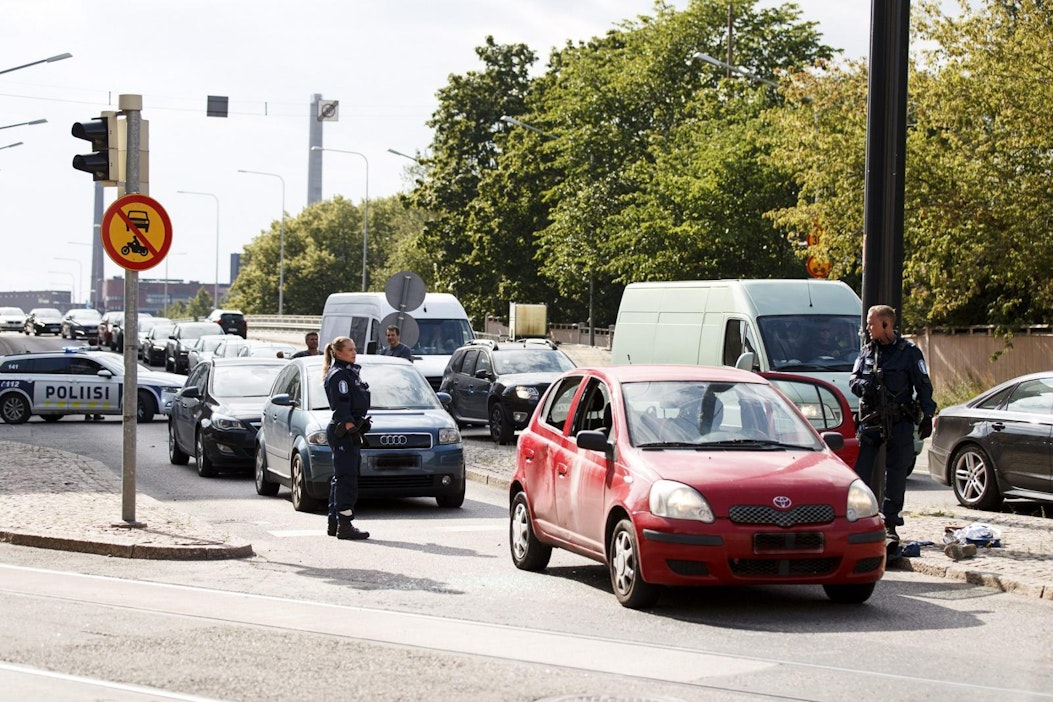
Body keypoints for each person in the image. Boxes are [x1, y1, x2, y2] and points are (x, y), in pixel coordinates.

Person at [849, 305, 936, 544]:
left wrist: (928, 415)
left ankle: (890, 523)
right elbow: (853, 380)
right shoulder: (867, 351)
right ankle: (858, 518)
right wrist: (864, 387)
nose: (867, 328)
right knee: (861, 472)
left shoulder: (909, 353)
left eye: (871, 323)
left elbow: (923, 385)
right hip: (872, 420)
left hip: (899, 421)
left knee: (896, 473)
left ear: (886, 324)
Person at [322, 336, 371, 541]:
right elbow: (341, 406)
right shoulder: (340, 375)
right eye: (350, 350)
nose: (354, 353)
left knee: (341, 477)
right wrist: (352, 429)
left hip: (347, 430)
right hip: (344, 432)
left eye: (354, 349)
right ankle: (345, 525)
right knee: (347, 479)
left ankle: (335, 522)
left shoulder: (349, 372)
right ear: (338, 352)